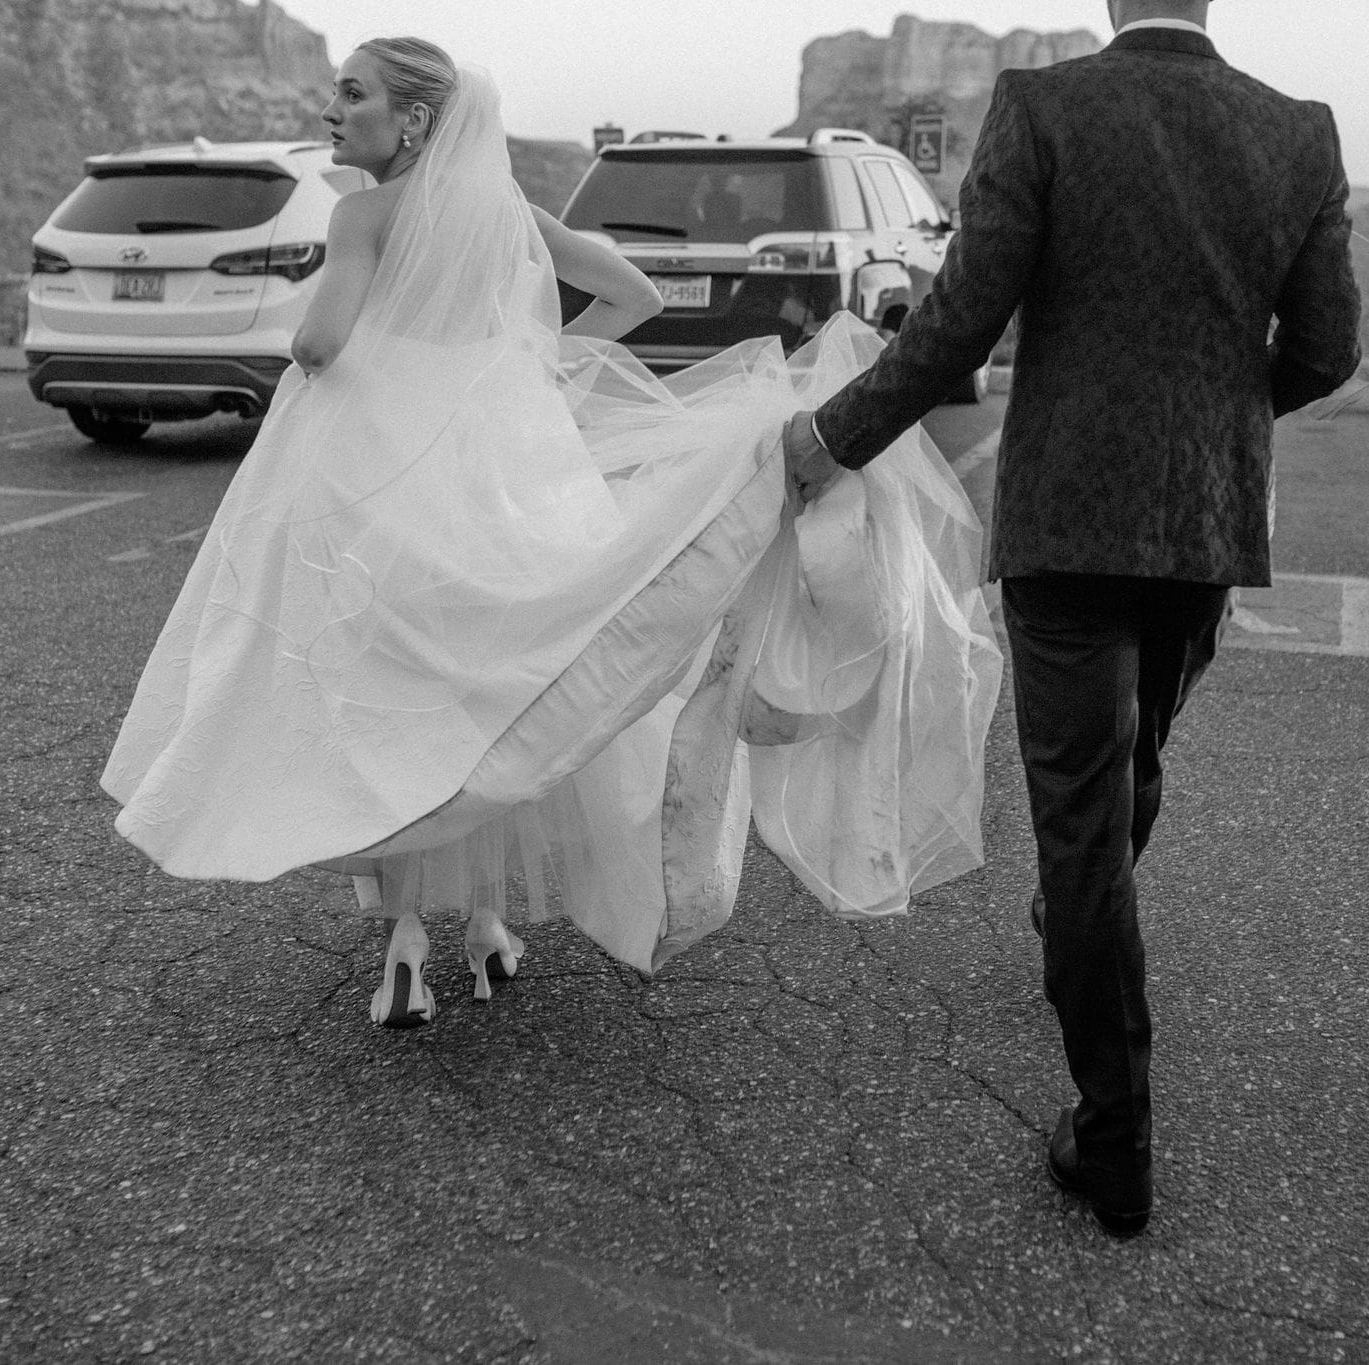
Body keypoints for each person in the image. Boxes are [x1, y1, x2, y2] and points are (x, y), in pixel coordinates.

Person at [102, 41, 1001, 1029]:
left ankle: (403, 941)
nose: (331, 112)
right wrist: (527, 366)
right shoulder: (509, 218)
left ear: (410, 123)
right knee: (504, 685)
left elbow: (319, 344)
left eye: (348, 95)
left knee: (393, 699)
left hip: (385, 492)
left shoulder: (365, 214)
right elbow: (636, 297)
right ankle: (486, 923)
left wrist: (347, 354)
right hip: (507, 478)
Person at [782, 0, 1362, 1235]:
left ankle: (1114, 1136)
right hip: (1201, 520)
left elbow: (960, 320)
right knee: (1132, 758)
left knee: (1083, 817)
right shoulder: (1297, 130)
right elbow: (1326, 346)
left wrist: (834, 437)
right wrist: (1220, 410)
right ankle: (1080, 935)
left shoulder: (1044, 107)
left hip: (1065, 520)